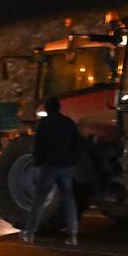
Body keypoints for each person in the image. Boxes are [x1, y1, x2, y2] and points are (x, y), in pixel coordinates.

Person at [25, 97, 82, 246]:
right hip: (66, 167)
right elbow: (77, 145)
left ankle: (29, 233)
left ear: (47, 109)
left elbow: (38, 147)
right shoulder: (68, 123)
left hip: (49, 166)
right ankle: (72, 236)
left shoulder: (43, 124)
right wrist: (73, 162)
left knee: (39, 199)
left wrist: (38, 163)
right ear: (59, 108)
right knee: (69, 200)